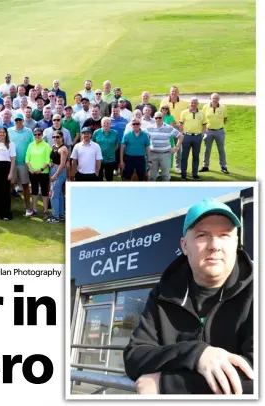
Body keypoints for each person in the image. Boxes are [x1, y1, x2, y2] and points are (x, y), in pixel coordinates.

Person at [124, 199, 253, 395]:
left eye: (225, 235)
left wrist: (166, 385)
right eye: (202, 235)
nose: (214, 245)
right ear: (184, 246)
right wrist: (196, 353)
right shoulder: (163, 294)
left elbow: (255, 379)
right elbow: (135, 356)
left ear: (236, 242)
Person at [147, 112, 183, 182]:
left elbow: (181, 136)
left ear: (163, 118)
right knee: (151, 176)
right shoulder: (149, 128)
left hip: (165, 155)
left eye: (160, 117)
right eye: (156, 118)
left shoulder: (169, 128)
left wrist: (176, 148)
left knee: (166, 176)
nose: (158, 119)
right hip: (153, 154)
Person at [25, 128, 52, 219]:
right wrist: (30, 169)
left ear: (42, 135)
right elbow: (27, 158)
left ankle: (45, 211)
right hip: (32, 172)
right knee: (34, 191)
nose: (37, 136)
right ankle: (34, 210)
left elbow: (48, 160)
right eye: (35, 134)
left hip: (43, 172)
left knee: (44, 192)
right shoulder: (30, 145)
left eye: (39, 134)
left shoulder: (46, 145)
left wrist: (40, 169)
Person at [0, 127, 15, 220]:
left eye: (3, 132)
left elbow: (13, 159)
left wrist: (11, 172)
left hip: (6, 167)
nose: (2, 134)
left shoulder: (11, 144)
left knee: (5, 191)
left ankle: (5, 214)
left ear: (6, 133)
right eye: (0, 132)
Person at [180, 97, 207, 181]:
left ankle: (194, 174)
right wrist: (181, 134)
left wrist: (202, 134)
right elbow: (181, 124)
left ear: (197, 104)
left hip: (197, 137)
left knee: (196, 156)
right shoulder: (184, 112)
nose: (193, 104)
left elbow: (204, 125)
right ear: (190, 103)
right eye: (192, 102)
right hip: (186, 136)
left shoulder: (202, 113)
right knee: (184, 156)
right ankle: (183, 174)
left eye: (195, 102)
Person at [201, 93, 229, 174]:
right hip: (208, 131)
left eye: (216, 98)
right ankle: (205, 166)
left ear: (219, 99)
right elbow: (202, 119)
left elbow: (225, 119)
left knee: (221, 149)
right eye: (213, 98)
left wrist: (219, 126)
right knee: (207, 149)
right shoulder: (205, 107)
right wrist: (204, 129)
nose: (215, 100)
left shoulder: (223, 107)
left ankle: (223, 167)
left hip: (219, 131)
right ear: (210, 98)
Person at [47, 129, 68, 223]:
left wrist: (55, 175)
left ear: (62, 137)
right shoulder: (54, 146)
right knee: (59, 194)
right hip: (53, 169)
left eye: (57, 137)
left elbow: (62, 164)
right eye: (54, 137)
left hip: (59, 172)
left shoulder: (63, 149)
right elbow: (53, 158)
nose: (55, 138)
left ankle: (55, 217)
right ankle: (61, 215)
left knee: (54, 195)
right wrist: (51, 163)